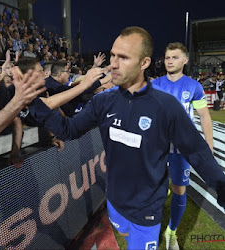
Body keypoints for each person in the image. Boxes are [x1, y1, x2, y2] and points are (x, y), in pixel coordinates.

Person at [26, 26, 225, 249]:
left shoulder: (166, 106)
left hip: (146, 210)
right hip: (115, 202)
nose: (113, 63)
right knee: (126, 236)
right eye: (112, 55)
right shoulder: (103, 101)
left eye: (123, 57)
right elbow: (68, 130)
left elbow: (197, 151)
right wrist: (33, 102)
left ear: (144, 63)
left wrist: (221, 186)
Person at [151, 42, 214, 249]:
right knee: (153, 190)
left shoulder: (193, 86)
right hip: (158, 149)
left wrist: (209, 147)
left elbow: (204, 116)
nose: (170, 61)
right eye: (167, 57)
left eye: (175, 57)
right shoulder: (155, 84)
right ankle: (150, 226)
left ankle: (172, 232)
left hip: (181, 151)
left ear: (185, 60)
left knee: (179, 190)